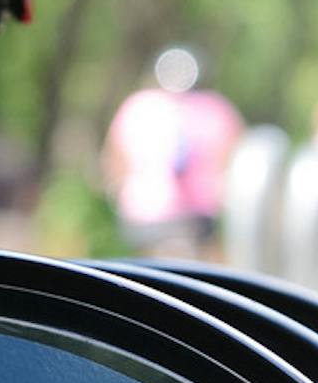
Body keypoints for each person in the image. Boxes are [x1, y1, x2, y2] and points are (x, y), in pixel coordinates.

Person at [103, 47, 243, 255]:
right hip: (197, 218)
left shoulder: (137, 105)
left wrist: (117, 191)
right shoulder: (216, 108)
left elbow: (114, 159)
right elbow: (237, 158)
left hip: (144, 216)